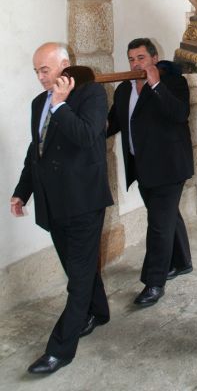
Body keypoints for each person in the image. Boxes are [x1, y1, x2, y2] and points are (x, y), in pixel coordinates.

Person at [11, 42, 113, 375]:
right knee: (77, 268)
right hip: (52, 202)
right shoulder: (38, 102)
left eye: (45, 69)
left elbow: (87, 136)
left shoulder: (91, 95)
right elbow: (36, 150)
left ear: (64, 65)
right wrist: (21, 192)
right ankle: (99, 311)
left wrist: (60, 105)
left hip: (83, 201)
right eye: (36, 71)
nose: (40, 78)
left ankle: (60, 349)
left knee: (78, 279)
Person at [107, 38, 193, 307]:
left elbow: (178, 114)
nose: (135, 64)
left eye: (141, 58)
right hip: (142, 167)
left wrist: (155, 85)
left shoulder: (174, 83)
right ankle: (181, 262)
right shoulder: (123, 90)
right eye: (131, 58)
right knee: (167, 218)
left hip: (169, 167)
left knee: (158, 225)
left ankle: (154, 282)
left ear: (154, 59)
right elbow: (113, 123)